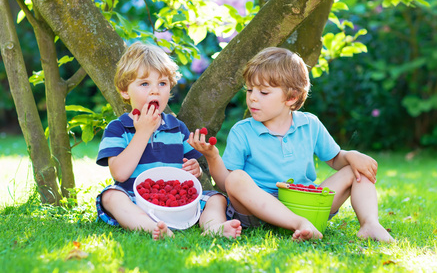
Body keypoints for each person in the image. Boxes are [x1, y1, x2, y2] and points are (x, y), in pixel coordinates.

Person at [188, 47, 394, 243]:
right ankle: (298, 223)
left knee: (358, 170)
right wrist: (212, 157)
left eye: (264, 92)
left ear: (292, 97)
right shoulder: (242, 131)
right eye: (250, 90)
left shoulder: (309, 124)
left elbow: (334, 159)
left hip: (304, 203)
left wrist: (350, 155)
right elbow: (227, 185)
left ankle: (370, 224)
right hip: (258, 211)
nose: (252, 98)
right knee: (236, 178)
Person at [96, 42, 241, 240]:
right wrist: (142, 132)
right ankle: (151, 227)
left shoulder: (177, 127)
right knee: (111, 196)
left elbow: (193, 169)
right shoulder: (118, 128)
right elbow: (120, 174)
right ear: (124, 91)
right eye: (145, 84)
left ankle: (214, 226)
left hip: (176, 203)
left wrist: (194, 170)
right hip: (135, 200)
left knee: (216, 198)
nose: (155, 91)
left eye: (162, 83)